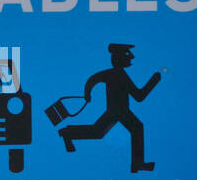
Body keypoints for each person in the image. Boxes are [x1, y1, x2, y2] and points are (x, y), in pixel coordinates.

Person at [59, 43, 161, 172]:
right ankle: (137, 164)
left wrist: (87, 93)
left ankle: (68, 133)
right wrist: (153, 81)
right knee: (132, 128)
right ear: (119, 58)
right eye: (127, 54)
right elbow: (139, 96)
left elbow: (92, 80)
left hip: (117, 111)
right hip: (118, 112)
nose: (131, 57)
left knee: (98, 132)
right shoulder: (118, 75)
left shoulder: (113, 74)